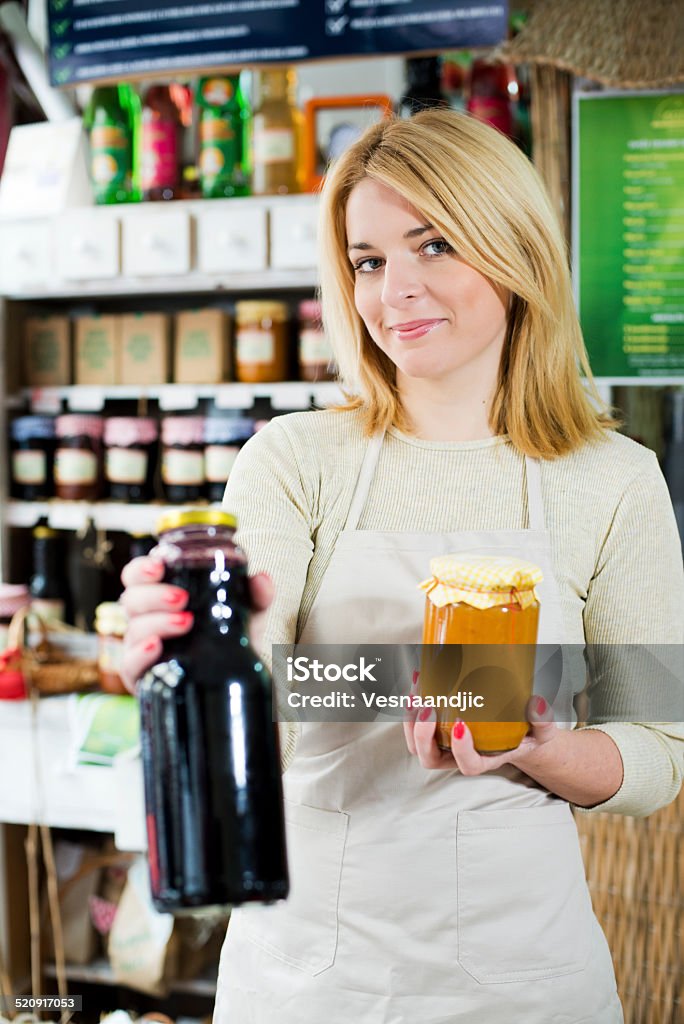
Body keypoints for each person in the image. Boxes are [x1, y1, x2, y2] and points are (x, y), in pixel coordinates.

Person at [120, 109, 684, 1023]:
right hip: (308, 977)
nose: (395, 292)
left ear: (515, 248)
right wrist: (188, 663)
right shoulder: (293, 459)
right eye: (369, 260)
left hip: (525, 979)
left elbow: (659, 754)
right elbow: (258, 710)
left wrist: (539, 745)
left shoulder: (614, 482)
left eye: (434, 244)